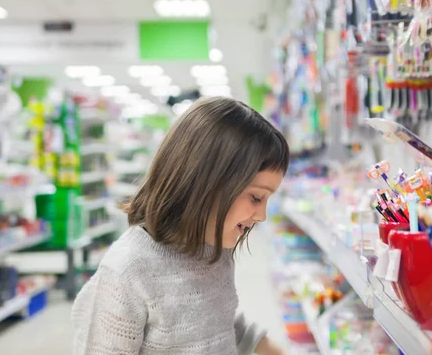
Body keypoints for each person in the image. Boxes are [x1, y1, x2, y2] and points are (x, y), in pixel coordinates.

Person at [71, 97, 290, 355]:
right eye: (256, 197)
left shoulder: (215, 250)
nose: (262, 215)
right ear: (207, 181)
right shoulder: (129, 270)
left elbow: (217, 323)